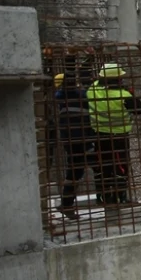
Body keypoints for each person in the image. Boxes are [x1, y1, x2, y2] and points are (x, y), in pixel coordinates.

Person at [86, 63, 141, 206]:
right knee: (120, 167)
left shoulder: (92, 90)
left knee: (103, 166)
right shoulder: (124, 96)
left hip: (99, 135)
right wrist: (129, 92)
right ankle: (121, 198)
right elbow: (139, 110)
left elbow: (92, 81)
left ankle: (103, 198)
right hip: (119, 136)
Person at [54, 71, 95, 219]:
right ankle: (111, 198)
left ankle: (66, 204)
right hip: (81, 139)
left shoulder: (62, 97)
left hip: (72, 140)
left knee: (75, 172)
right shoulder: (71, 95)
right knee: (100, 165)